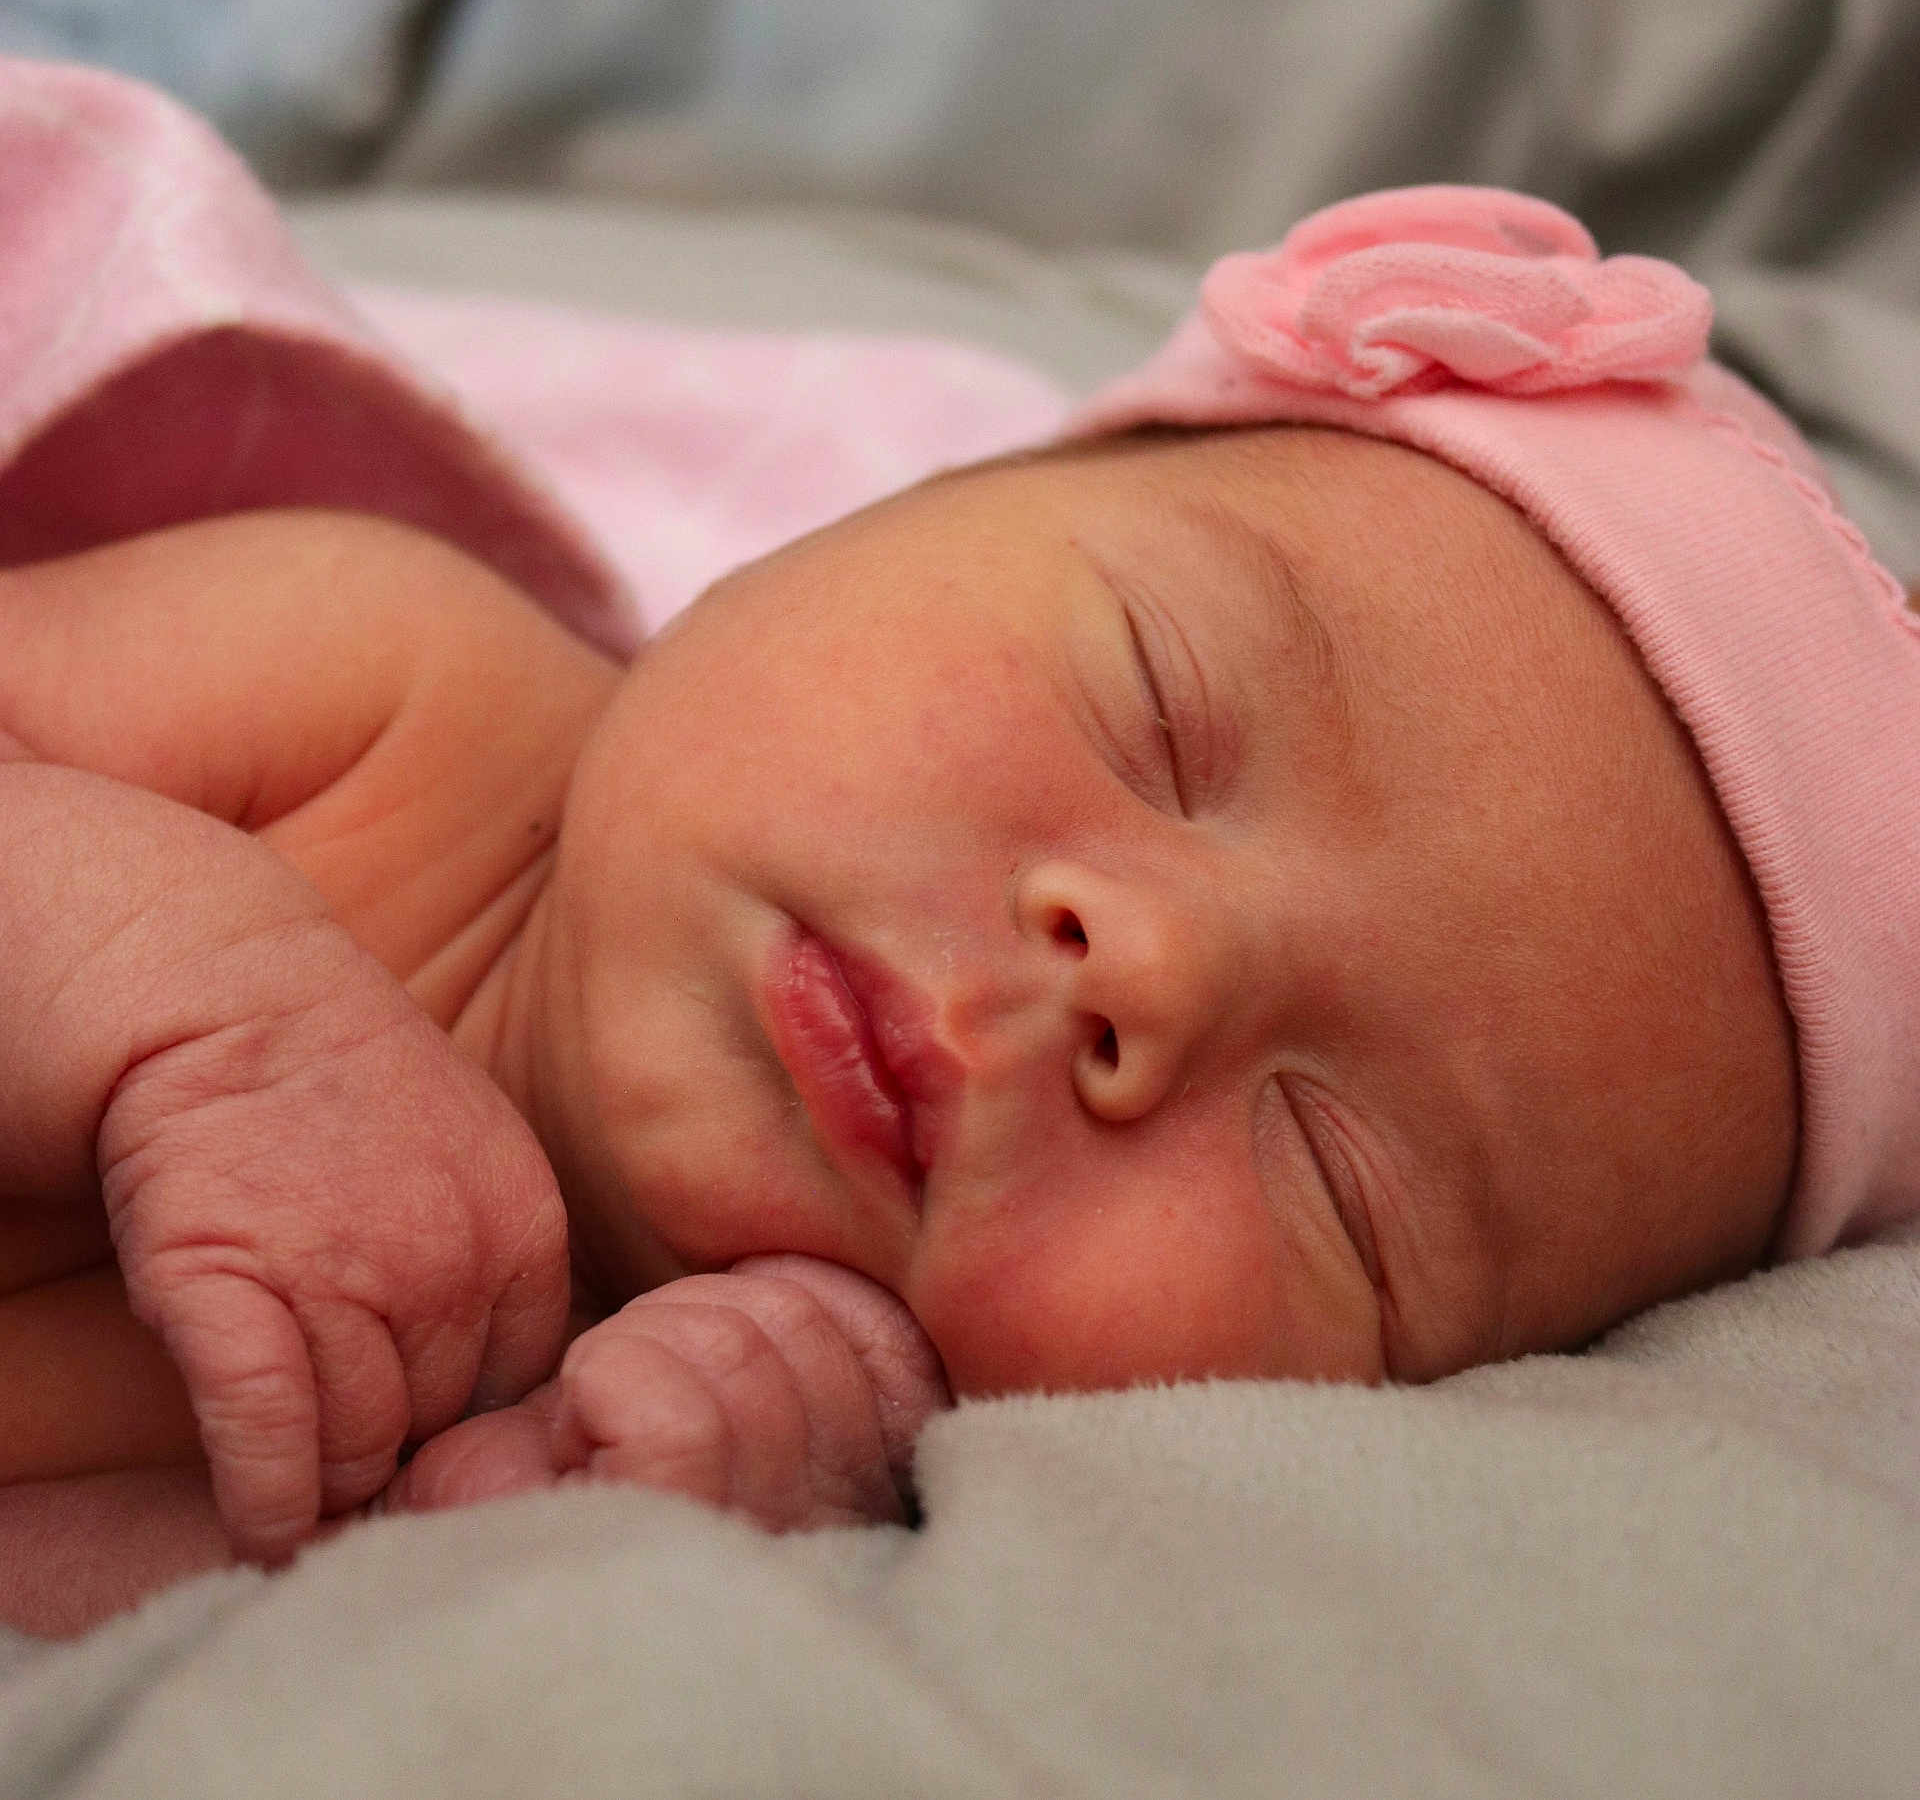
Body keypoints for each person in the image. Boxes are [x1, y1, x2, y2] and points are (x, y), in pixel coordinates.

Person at [3, 181, 1917, 1640]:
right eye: (1160, 704)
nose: (1146, 970)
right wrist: (196, 1004)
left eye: (1342, 1178)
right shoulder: (388, 694)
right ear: (933, 496)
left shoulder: (714, 1416)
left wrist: (472, 1537)